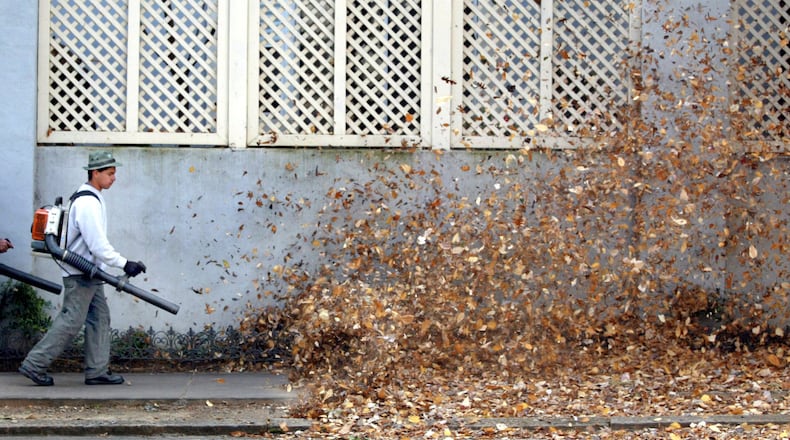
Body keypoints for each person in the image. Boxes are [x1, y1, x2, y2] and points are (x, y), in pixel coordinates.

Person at [19, 151, 146, 386]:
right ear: (95, 173)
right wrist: (124, 263)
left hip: (90, 273)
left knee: (99, 319)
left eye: (114, 173)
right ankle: (34, 364)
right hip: (80, 273)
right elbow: (97, 245)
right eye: (109, 173)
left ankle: (96, 371)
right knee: (71, 321)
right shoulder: (87, 202)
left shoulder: (91, 196)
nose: (113, 178)